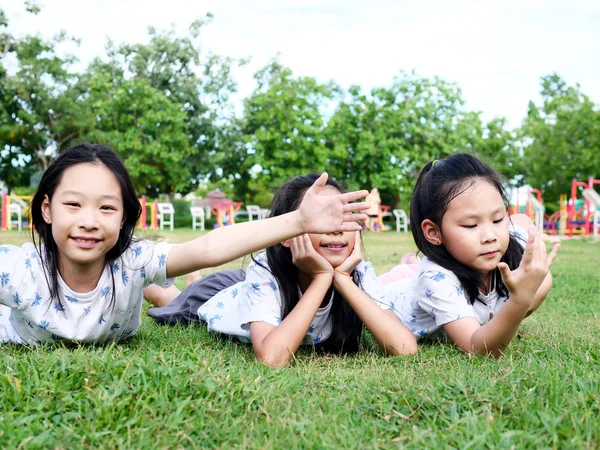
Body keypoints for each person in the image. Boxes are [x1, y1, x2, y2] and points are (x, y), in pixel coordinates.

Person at [0, 144, 370, 346]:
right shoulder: (19, 270)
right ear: (47, 209)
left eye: (107, 207)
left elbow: (208, 248)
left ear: (126, 216)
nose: (89, 220)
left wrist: (299, 221)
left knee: (162, 289)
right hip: (18, 331)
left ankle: (159, 289)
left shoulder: (132, 260)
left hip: (136, 280)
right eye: (73, 204)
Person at [146, 174, 417, 367]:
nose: (336, 227)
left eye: (343, 217)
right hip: (219, 297)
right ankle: (158, 286)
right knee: (173, 303)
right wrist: (323, 278)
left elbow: (404, 349)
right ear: (288, 233)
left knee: (191, 291)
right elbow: (272, 358)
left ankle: (191, 281)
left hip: (252, 290)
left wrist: (342, 279)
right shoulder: (265, 270)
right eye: (324, 218)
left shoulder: (359, 273)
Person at [385, 153, 560, 357]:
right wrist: (520, 300)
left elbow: (522, 220)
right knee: (413, 275)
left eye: (497, 219)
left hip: (425, 276)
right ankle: (409, 266)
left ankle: (411, 264)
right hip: (397, 294)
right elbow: (477, 349)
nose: (490, 236)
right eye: (471, 225)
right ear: (434, 232)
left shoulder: (512, 239)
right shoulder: (435, 279)